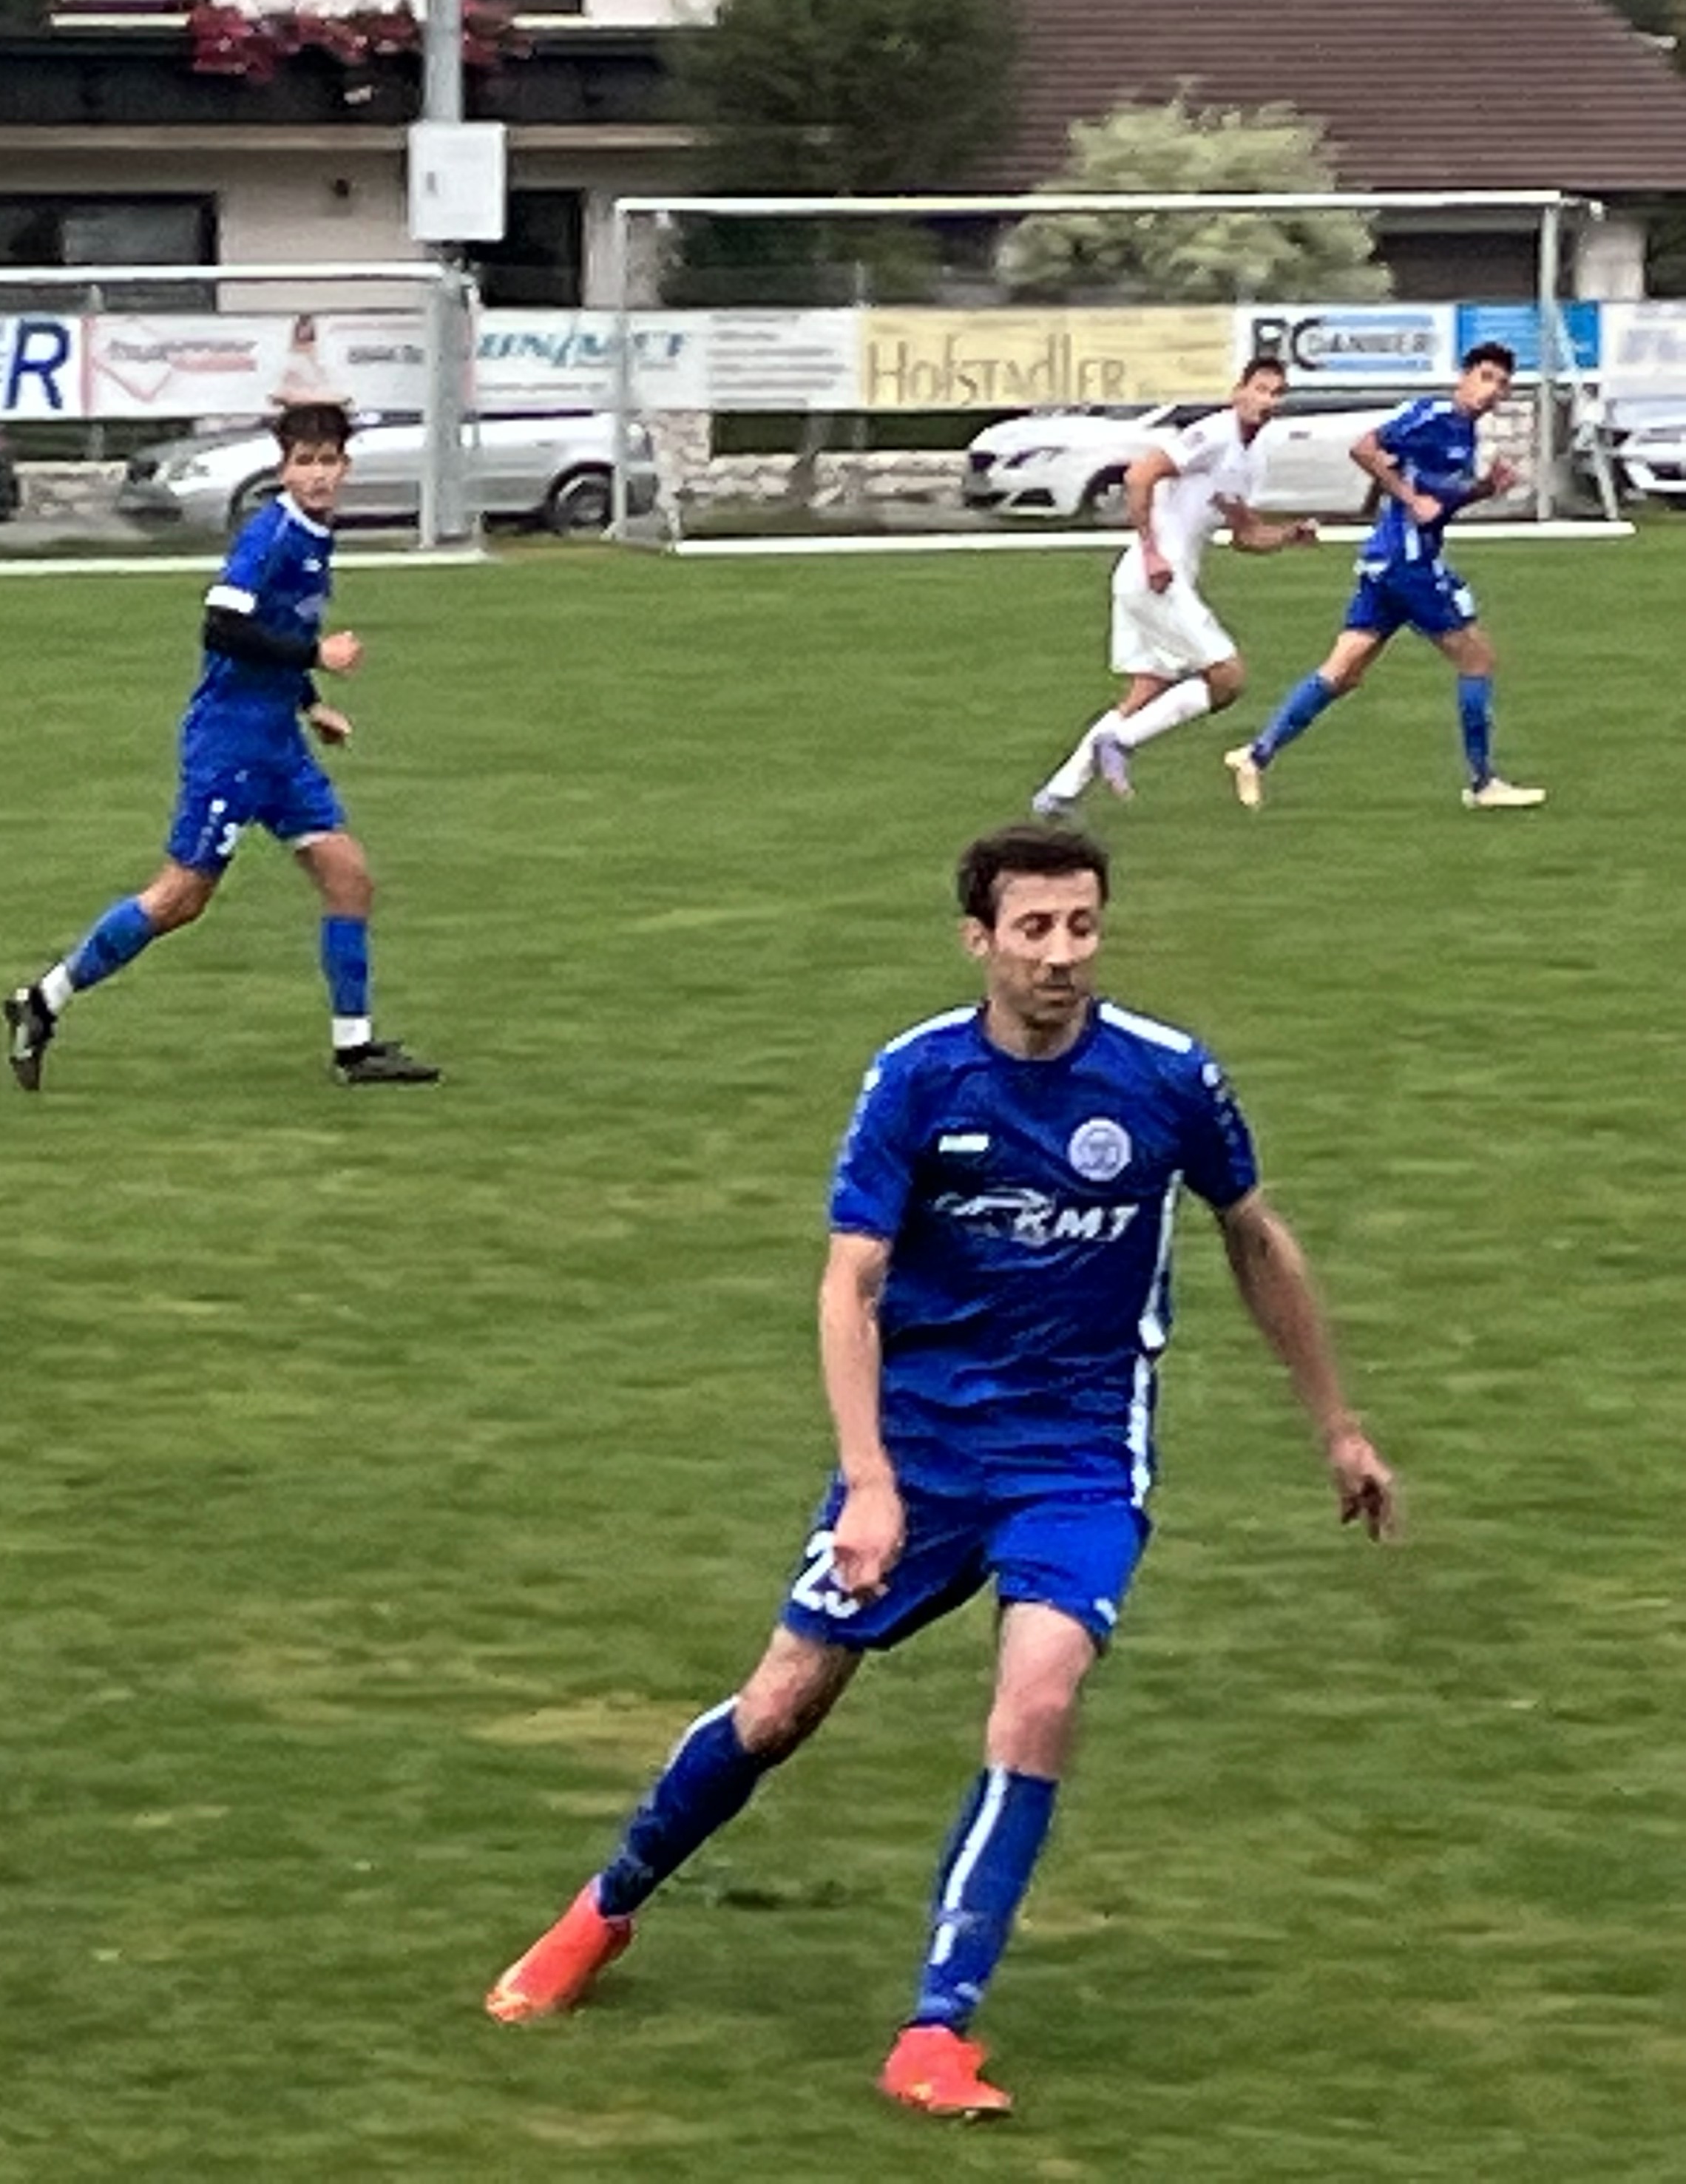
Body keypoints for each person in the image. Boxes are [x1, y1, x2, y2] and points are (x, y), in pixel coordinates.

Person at [483, 823, 1398, 2119]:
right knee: (780, 1705)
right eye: (1033, 929)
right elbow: (848, 1282)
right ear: (979, 938)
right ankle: (602, 1910)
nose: (1061, 954)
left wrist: (1337, 1425)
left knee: (1037, 1698)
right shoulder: (918, 1079)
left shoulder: (1167, 1076)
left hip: (1078, 1454)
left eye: (1081, 925)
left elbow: (1254, 1236)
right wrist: (870, 1480)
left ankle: (935, 2028)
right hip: (919, 1450)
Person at [3, 398, 439, 1089]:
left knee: (349, 878)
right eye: (305, 461)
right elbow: (222, 627)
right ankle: (43, 1000)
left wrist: (310, 704)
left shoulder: (317, 534)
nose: (318, 474)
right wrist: (317, 657)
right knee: (181, 898)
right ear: (284, 468)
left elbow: (274, 630)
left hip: (278, 745)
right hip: (231, 748)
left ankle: (355, 1051)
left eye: (329, 461)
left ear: (345, 468)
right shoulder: (272, 536)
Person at [1227, 342, 1546, 811]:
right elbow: (1364, 449)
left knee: (1343, 672)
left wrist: (1482, 490)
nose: (1491, 390)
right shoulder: (1433, 415)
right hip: (1407, 563)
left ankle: (1255, 756)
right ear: (1464, 377)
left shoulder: (1464, 432)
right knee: (1477, 660)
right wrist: (1408, 497)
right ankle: (1483, 784)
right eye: (1485, 377)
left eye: (1501, 383)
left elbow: (1434, 504)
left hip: (1389, 562)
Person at [1032, 358, 1320, 817]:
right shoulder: (1214, 433)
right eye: (1261, 389)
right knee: (1227, 678)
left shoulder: (1252, 458)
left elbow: (1245, 534)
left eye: (1277, 393)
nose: (1268, 401)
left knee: (1148, 690)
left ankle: (1058, 794)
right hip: (1154, 577)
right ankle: (1119, 741)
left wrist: (1288, 535)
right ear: (1238, 392)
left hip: (1160, 579)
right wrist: (1152, 552)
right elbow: (1140, 475)